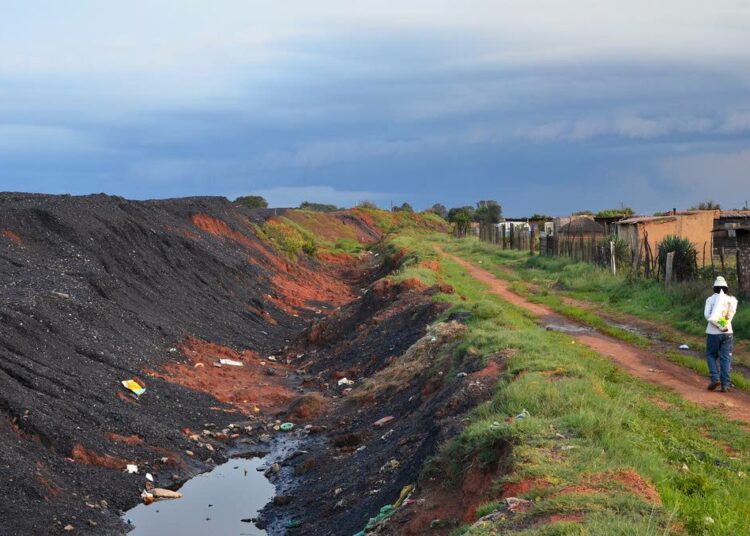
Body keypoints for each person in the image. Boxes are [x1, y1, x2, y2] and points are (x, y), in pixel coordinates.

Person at [704, 276, 738, 392]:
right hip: (727, 333)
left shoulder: (710, 300)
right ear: (726, 288)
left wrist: (717, 325)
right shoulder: (731, 300)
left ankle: (715, 378)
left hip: (713, 333)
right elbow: (729, 316)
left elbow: (707, 316)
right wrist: (722, 324)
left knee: (710, 355)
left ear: (714, 288)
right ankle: (725, 384)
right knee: (725, 358)